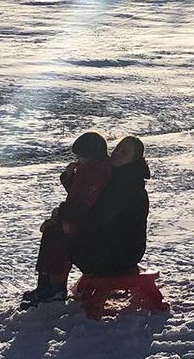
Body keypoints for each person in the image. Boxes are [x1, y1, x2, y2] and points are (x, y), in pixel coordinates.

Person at [21, 132, 151, 307]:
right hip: (112, 244)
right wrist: (70, 181)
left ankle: (55, 289)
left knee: (60, 237)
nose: (117, 153)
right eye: (118, 148)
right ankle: (49, 286)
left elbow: (98, 214)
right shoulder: (116, 175)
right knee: (54, 231)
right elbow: (88, 199)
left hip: (119, 254)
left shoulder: (127, 184)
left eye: (125, 152)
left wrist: (66, 218)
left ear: (134, 159)